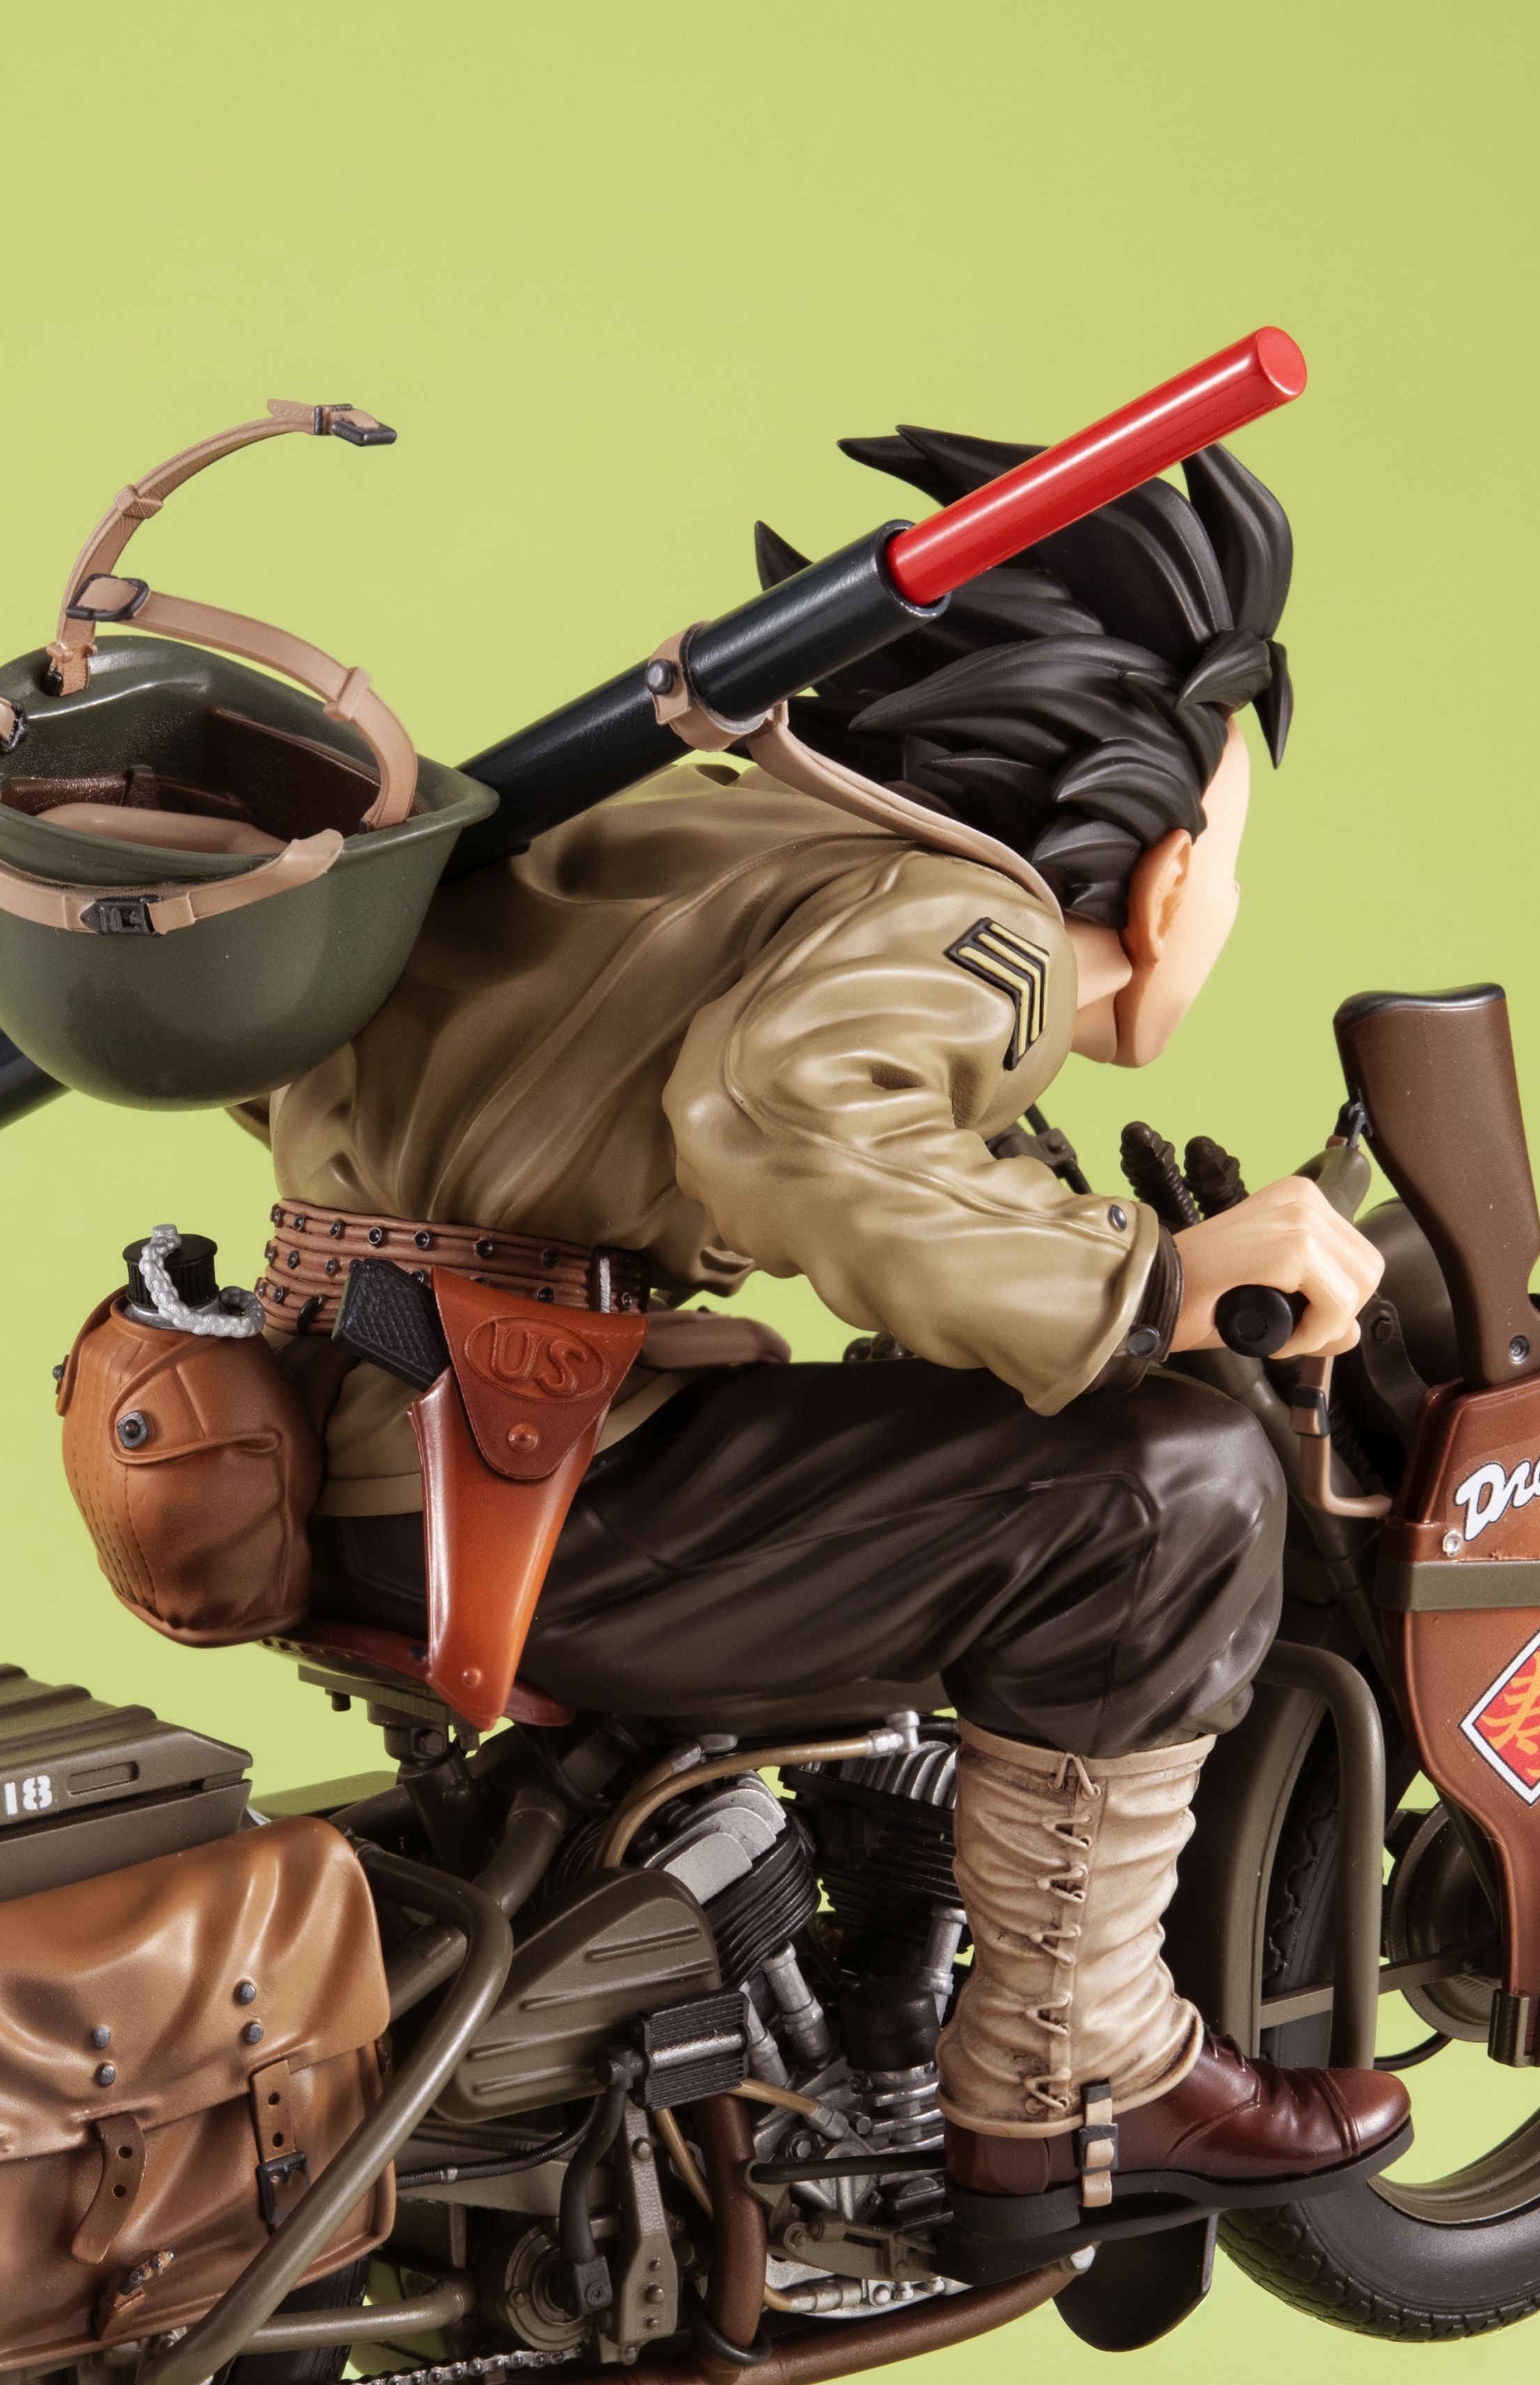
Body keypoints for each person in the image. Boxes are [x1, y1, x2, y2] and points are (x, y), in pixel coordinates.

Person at [234, 425, 1410, 2262]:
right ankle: (1075, 2071)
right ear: (1169, 868)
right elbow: (785, 1124)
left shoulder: (686, 824)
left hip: (323, 1428)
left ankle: (820, 1929)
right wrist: (1152, 1286)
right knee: (1176, 1489)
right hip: (518, 1491)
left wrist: (1083, 1234)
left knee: (937, 1444)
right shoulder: (983, 927)